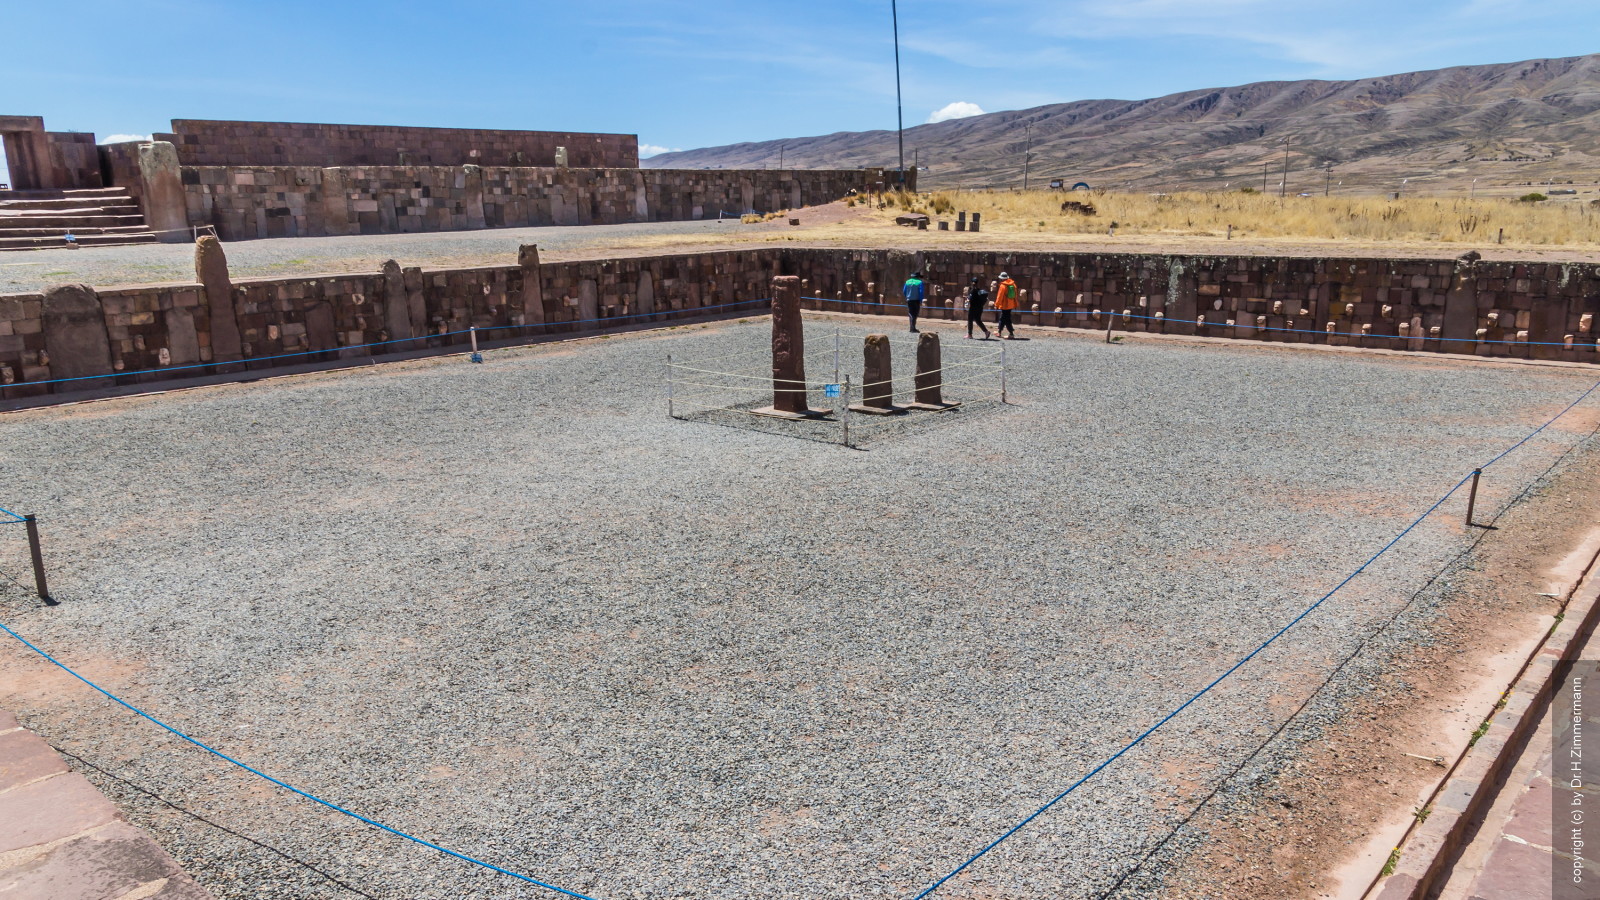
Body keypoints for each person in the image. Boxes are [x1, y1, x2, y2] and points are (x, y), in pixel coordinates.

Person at [994, 271, 1019, 339]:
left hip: (1005, 305)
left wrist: (996, 305)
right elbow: (1015, 295)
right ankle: (1000, 331)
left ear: (1002, 278)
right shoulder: (1013, 284)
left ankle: (1010, 333)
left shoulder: (1003, 286)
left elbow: (999, 296)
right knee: (1004, 318)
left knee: (1005, 319)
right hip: (1011, 305)